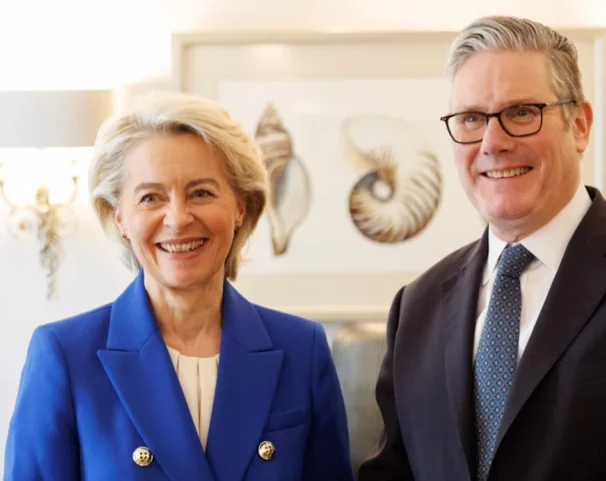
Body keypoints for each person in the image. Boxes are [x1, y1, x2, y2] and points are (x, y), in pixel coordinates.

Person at [357, 15, 606, 481]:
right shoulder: (416, 306)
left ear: (581, 125)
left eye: (522, 112)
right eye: (471, 118)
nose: (493, 142)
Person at [4, 91, 354, 481]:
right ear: (119, 216)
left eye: (201, 193)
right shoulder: (65, 356)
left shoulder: (301, 349)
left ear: (240, 206)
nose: (177, 218)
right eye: (151, 197)